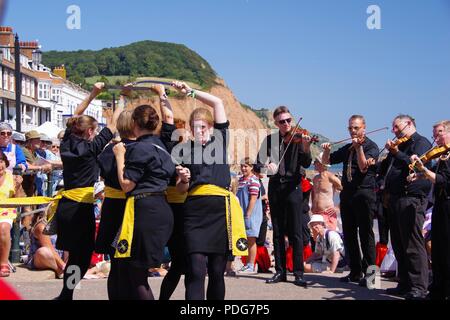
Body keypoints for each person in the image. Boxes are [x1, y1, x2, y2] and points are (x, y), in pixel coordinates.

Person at [174, 81, 247, 300]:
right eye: (195, 128)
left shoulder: (220, 140)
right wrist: (184, 180)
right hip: (194, 212)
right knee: (196, 271)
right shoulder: (184, 150)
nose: (200, 131)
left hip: (220, 212)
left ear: (212, 127)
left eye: (203, 127)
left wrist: (191, 91)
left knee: (217, 272)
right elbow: (180, 189)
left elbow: (217, 102)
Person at [54, 82, 123, 300]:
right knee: (81, 258)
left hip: (66, 206)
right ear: (91, 131)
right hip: (80, 208)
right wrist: (123, 97)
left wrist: (94, 93)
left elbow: (76, 114)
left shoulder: (66, 143)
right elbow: (113, 125)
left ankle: (66, 294)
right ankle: (66, 294)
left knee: (75, 255)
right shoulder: (91, 148)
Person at [112, 102, 175, 300]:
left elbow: (126, 184)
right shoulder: (162, 146)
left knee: (137, 275)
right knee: (139, 272)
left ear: (134, 123)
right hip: (162, 208)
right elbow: (170, 120)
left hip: (145, 210)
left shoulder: (139, 148)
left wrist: (120, 156)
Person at [257, 106, 312, 287]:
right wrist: (267, 169)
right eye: (282, 121)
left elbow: (306, 162)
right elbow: (257, 166)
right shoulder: (270, 140)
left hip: (293, 187)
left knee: (296, 232)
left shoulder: (299, 138)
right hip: (275, 188)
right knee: (278, 232)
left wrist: (305, 145)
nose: (287, 124)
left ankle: (298, 273)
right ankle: (280, 271)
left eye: (289, 120)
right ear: (276, 123)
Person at [321, 115, 379, 286]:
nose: (353, 131)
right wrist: (326, 150)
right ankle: (355, 272)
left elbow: (363, 167)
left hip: (364, 194)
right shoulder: (347, 148)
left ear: (364, 128)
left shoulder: (371, 147)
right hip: (348, 195)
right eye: (350, 128)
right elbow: (326, 162)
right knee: (350, 235)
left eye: (356, 128)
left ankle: (372, 278)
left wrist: (359, 148)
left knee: (366, 235)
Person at [379, 114, 432, 300]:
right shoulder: (399, 145)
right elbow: (386, 169)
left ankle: (419, 286)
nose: (394, 131)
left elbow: (416, 164)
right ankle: (404, 283)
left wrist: (396, 153)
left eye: (396, 127)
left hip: (411, 198)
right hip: (394, 198)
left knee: (412, 244)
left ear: (409, 124)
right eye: (393, 128)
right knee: (399, 244)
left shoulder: (421, 142)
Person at [409, 120, 450, 300]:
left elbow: (442, 180)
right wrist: (419, 173)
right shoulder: (443, 155)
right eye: (434, 135)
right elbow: (433, 174)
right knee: (439, 248)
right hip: (440, 204)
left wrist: (423, 170)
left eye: (440, 133)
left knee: (447, 248)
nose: (436, 138)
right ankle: (438, 290)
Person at [236, 157, 263, 274]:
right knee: (244, 239)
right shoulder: (241, 180)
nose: (243, 168)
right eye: (242, 166)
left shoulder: (254, 180)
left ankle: (251, 265)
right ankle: (246, 264)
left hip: (250, 214)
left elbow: (253, 199)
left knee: (251, 240)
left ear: (251, 167)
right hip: (241, 213)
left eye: (246, 166)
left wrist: (248, 214)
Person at [0, 151, 25, 277]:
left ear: (5, 162)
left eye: (1, 161)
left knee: (3, 228)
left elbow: (19, 199)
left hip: (7, 210)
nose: (0, 165)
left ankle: (4, 263)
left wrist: (18, 186)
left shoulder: (12, 177)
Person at [27, 207, 66, 278]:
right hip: (43, 259)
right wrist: (63, 266)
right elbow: (50, 249)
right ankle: (59, 269)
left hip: (61, 258)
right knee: (43, 251)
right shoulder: (41, 226)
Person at [311, 152, 342, 231]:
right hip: (316, 213)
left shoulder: (330, 177)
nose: (314, 164)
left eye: (316, 162)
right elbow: (314, 192)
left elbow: (346, 191)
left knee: (329, 237)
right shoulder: (315, 178)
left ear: (322, 164)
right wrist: (312, 206)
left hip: (328, 213)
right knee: (316, 239)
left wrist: (338, 207)